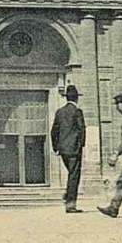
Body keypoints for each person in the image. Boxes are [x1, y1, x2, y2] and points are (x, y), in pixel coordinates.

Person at [50, 83, 86, 213]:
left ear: (66, 98)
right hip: (74, 149)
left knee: (71, 174)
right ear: (77, 98)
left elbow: (54, 131)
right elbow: (82, 129)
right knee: (74, 176)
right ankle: (70, 205)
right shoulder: (77, 111)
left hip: (63, 150)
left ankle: (67, 195)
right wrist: (81, 145)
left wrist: (56, 147)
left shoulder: (59, 112)